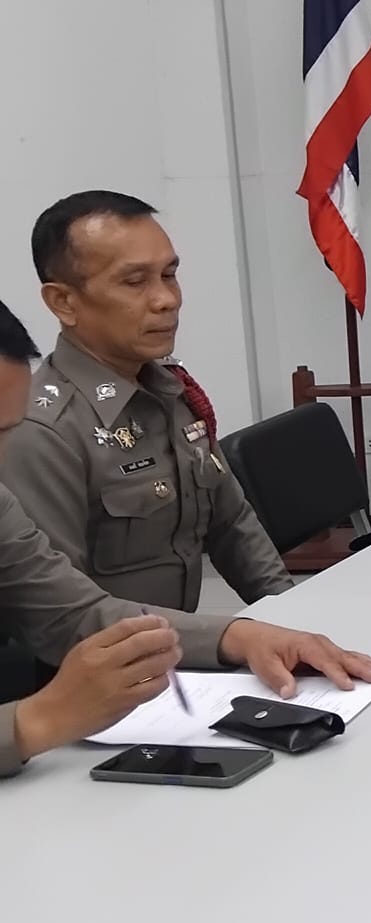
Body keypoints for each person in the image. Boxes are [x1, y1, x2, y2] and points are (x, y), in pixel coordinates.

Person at [0, 298, 371, 779]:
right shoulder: (54, 427)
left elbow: (73, 610)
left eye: (4, 432)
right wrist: (34, 722)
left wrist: (238, 635)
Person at [1, 191, 294, 612]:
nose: (166, 299)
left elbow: (231, 523)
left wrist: (291, 616)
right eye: (135, 282)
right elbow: (66, 613)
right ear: (63, 302)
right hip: (114, 650)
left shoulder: (170, 390)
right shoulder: (42, 430)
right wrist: (231, 638)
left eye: (169, 275)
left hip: (182, 643)